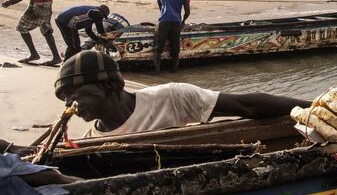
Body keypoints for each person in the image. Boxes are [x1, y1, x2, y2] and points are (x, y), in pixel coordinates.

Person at [54, 50, 311, 138]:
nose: (69, 103)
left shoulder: (172, 98)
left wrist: (314, 107)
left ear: (108, 86)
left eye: (74, 93)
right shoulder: (91, 142)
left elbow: (247, 106)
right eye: (65, 97)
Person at [155, 0, 190, 73]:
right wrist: (183, 21)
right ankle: (174, 69)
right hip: (176, 22)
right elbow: (187, 12)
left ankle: (157, 70)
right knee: (175, 48)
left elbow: (160, 6)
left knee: (158, 48)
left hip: (163, 21)